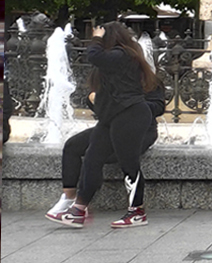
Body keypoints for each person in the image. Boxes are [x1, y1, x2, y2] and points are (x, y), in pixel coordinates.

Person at [46, 25, 165, 229]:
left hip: (131, 115)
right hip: (112, 116)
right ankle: (78, 209)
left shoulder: (124, 54)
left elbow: (94, 56)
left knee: (129, 163)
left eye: (103, 39)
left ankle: (137, 211)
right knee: (92, 156)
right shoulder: (113, 64)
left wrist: (97, 39)